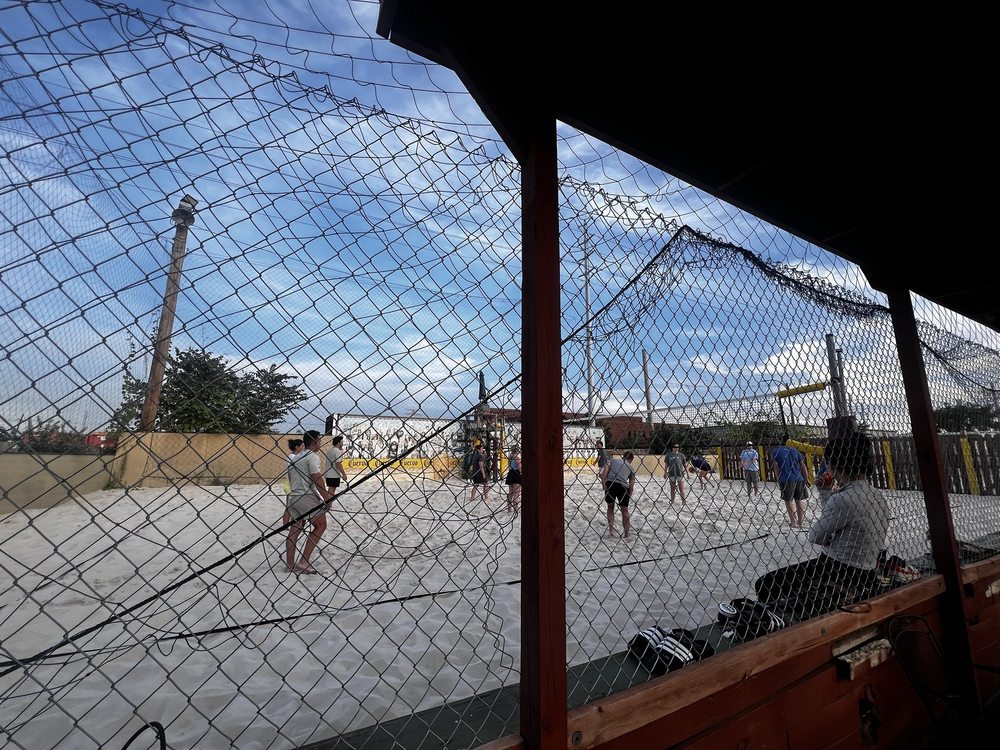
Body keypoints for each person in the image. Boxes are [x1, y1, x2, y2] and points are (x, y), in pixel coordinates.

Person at [755, 433, 890, 618]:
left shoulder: (843, 499)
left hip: (838, 568)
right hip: (867, 567)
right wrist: (825, 493)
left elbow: (816, 536)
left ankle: (778, 620)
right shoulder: (875, 494)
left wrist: (831, 536)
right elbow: (835, 520)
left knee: (766, 583)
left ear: (834, 466)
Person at [285, 429, 333, 574]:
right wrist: (327, 497)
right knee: (321, 525)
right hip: (306, 496)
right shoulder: (312, 456)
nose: (321, 443)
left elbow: (291, 478)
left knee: (295, 530)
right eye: (319, 440)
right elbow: (316, 477)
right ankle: (303, 561)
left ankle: (290, 564)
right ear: (314, 442)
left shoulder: (295, 458)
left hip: (294, 497)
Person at [771, 436, 809, 529]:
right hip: (798, 478)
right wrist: (806, 478)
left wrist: (778, 478)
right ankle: (800, 521)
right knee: (799, 500)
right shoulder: (794, 450)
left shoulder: (776, 451)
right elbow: (802, 465)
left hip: (786, 478)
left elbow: (776, 466)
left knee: (788, 501)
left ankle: (793, 522)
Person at [601, 451, 636, 538]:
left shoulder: (613, 460)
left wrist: (603, 482)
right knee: (625, 510)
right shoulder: (631, 468)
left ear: (623, 456)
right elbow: (631, 484)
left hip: (610, 483)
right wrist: (629, 494)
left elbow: (605, 469)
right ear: (631, 459)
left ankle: (611, 530)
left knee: (610, 507)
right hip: (623, 487)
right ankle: (626, 534)